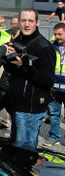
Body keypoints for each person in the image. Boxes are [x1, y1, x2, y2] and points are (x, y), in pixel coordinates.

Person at [6, 8, 55, 151]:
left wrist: (23, 66)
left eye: (30, 21)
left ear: (37, 23)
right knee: (16, 147)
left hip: (31, 108)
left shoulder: (43, 46)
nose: (27, 24)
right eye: (23, 20)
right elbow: (12, 71)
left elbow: (47, 80)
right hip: (17, 104)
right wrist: (10, 60)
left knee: (24, 150)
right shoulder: (19, 41)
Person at [44, 22, 65, 146]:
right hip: (55, 88)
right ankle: (54, 136)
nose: (57, 36)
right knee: (54, 114)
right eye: (55, 34)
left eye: (60, 34)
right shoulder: (51, 47)